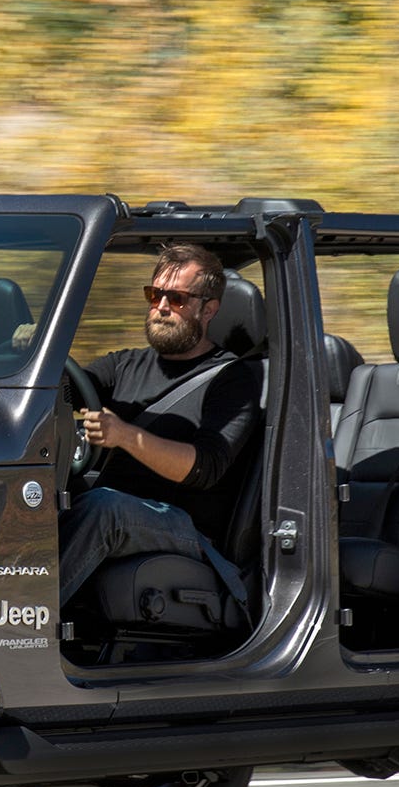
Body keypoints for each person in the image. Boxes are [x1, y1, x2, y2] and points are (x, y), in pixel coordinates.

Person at [60, 243, 264, 610]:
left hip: (188, 530)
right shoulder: (124, 365)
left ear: (209, 309)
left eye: (177, 298)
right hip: (120, 512)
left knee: (104, 509)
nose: (162, 307)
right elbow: (60, 392)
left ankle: (21, 630)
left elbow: (203, 467)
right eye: (154, 295)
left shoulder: (233, 380)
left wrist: (124, 435)